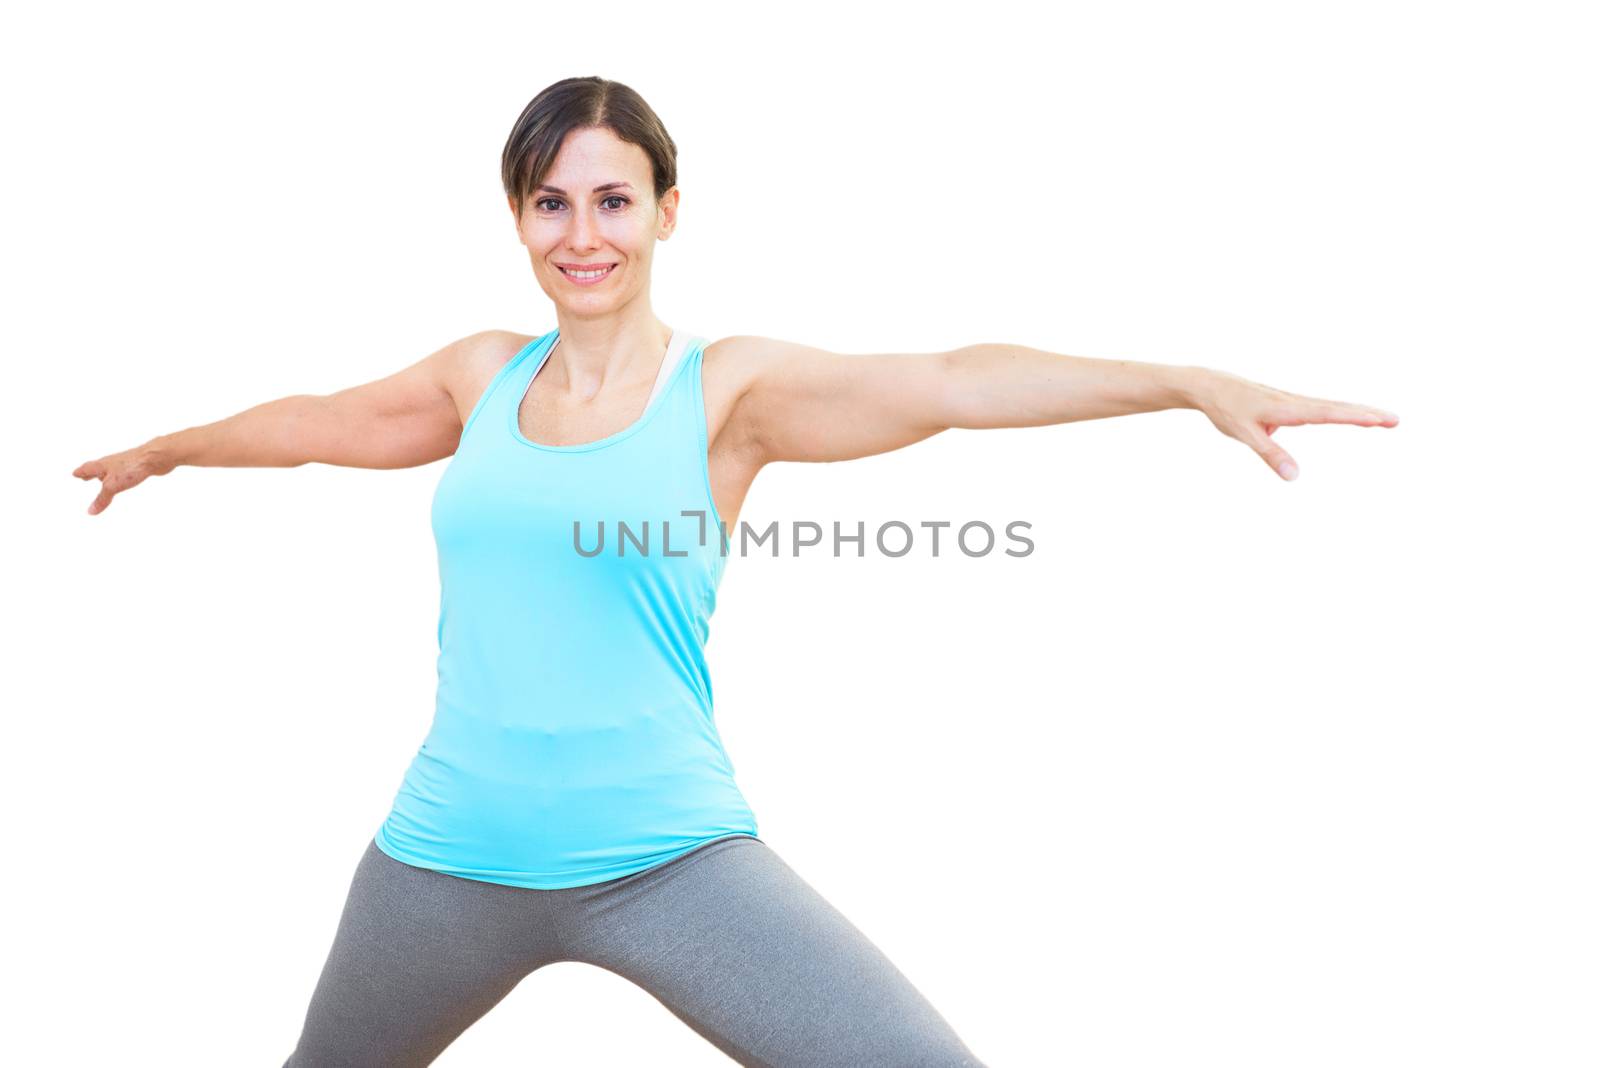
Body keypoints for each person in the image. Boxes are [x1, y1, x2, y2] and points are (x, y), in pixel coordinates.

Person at [72, 76, 1398, 1067]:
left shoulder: (728, 393)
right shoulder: (480, 376)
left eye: (611, 198)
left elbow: (949, 382)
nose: (581, 233)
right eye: (550, 202)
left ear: (665, 209)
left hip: (667, 859)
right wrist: (171, 451)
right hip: (444, 859)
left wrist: (1180, 384)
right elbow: (316, 424)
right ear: (518, 217)